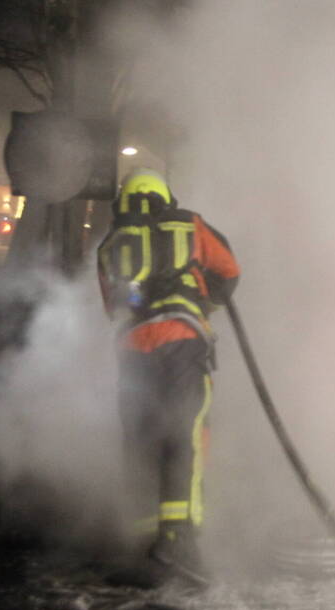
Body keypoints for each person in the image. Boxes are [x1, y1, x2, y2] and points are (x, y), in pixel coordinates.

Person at [97, 168, 240, 583]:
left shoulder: (110, 245)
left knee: (141, 440)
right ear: (165, 197)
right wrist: (202, 298)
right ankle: (178, 542)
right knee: (186, 435)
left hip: (132, 350)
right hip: (181, 340)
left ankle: (144, 549)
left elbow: (112, 309)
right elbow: (228, 272)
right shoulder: (188, 224)